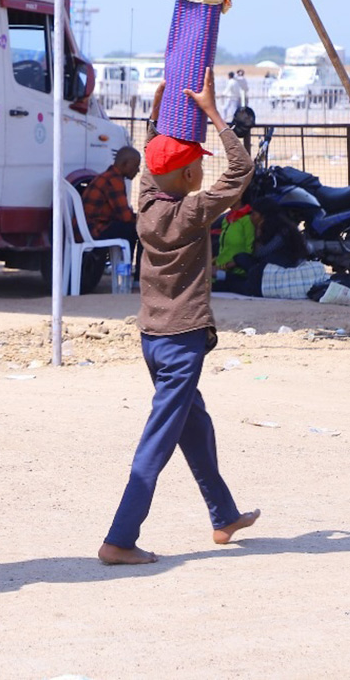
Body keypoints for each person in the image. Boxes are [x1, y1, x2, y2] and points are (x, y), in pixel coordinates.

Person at [98, 71, 260, 566]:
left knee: (195, 426)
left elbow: (153, 166)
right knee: (159, 440)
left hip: (153, 337)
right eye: (196, 170)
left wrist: (156, 116)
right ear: (190, 177)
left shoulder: (146, 202)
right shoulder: (191, 212)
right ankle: (119, 539)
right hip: (182, 339)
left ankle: (224, 515)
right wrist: (212, 113)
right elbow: (241, 170)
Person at [80, 146, 140, 258]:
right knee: (140, 230)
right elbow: (125, 217)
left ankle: (125, 265)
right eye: (136, 166)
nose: (138, 170)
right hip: (94, 229)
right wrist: (142, 220)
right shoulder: (114, 180)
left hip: (86, 228)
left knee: (133, 227)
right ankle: (135, 272)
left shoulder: (108, 176)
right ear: (125, 164)